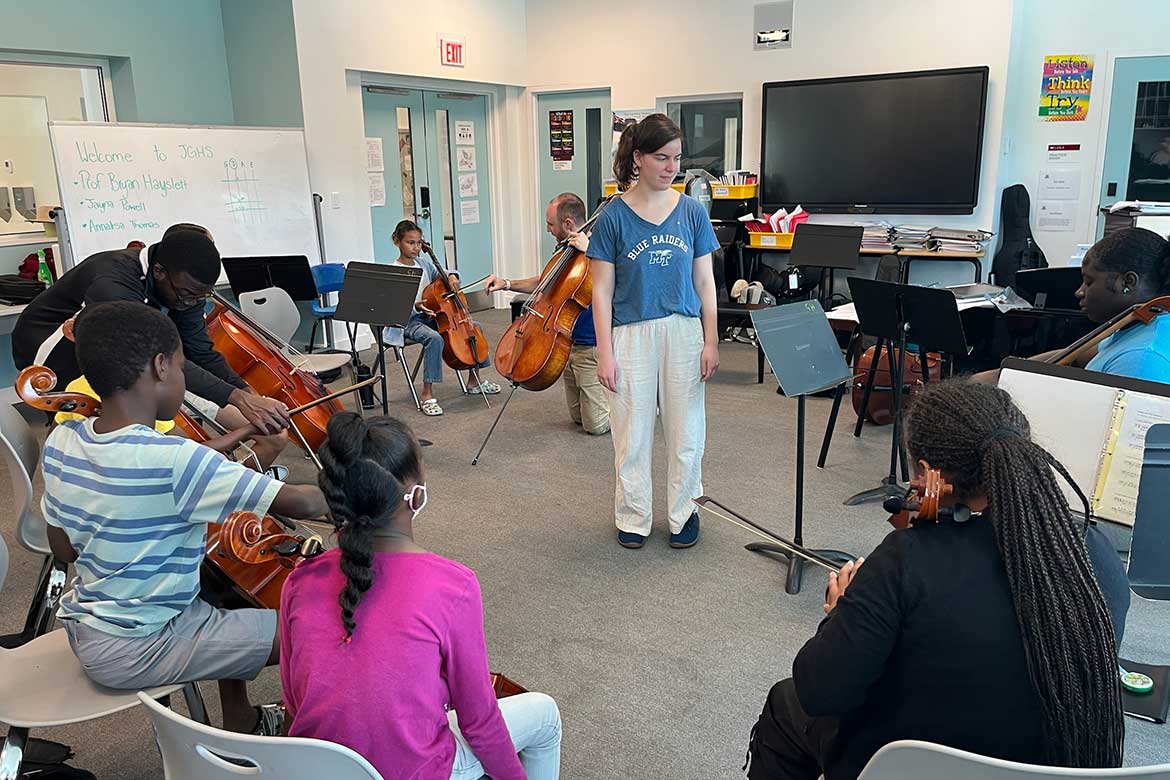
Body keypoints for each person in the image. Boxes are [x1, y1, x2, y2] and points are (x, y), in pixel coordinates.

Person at [745, 380, 1128, 780]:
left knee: (786, 703)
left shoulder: (905, 560)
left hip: (912, 767)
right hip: (1052, 764)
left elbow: (820, 690)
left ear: (929, 475)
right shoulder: (1092, 551)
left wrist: (841, 614)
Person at [41, 302, 328, 734]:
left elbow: (64, 549)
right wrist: (366, 482)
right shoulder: (174, 459)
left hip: (89, 624)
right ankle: (294, 742)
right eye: (180, 366)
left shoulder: (63, 439)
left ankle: (242, 719)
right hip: (141, 644)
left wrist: (238, 437)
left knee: (226, 595)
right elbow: (304, 504)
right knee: (314, 628)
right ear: (160, 366)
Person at [280, 412, 562, 779]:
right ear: (414, 494)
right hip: (412, 772)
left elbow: (294, 703)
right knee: (545, 714)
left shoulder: (299, 579)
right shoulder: (454, 585)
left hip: (317, 770)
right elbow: (479, 722)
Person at [12, 223, 291, 469]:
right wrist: (236, 398)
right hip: (54, 349)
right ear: (158, 272)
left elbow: (199, 351)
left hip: (136, 359)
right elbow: (152, 356)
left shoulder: (186, 288)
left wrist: (246, 393)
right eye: (188, 296)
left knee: (269, 436)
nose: (192, 303)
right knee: (123, 444)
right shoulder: (113, 282)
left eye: (200, 297)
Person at [586, 113, 720, 549]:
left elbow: (705, 282)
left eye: (677, 158)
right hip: (630, 334)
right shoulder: (612, 217)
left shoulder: (692, 212)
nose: (671, 167)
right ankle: (633, 515)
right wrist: (605, 352)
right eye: (662, 158)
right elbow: (601, 291)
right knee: (632, 433)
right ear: (638, 158)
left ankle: (685, 513)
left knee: (687, 433)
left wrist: (712, 339)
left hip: (684, 332)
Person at [484, 193, 609, 435]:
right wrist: (506, 283)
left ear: (568, 223)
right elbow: (544, 282)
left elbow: (617, 279)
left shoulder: (599, 251)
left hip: (589, 344)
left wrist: (592, 252)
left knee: (596, 425)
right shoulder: (565, 251)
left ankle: (630, 406)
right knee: (578, 418)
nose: (548, 229)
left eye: (550, 224)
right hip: (566, 339)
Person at [390, 220, 501, 416]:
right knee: (434, 338)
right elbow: (395, 307)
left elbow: (443, 275)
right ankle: (427, 394)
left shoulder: (424, 264)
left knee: (475, 327)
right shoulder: (394, 271)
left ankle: (474, 381)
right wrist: (415, 306)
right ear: (397, 241)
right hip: (409, 321)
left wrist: (451, 276)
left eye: (418, 242)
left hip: (432, 317)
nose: (416, 247)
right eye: (410, 242)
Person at [1075, 227, 1170, 381]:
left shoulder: (1139, 359)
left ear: (1128, 282)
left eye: (1089, 282)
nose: (1079, 292)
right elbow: (1078, 356)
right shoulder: (1142, 325)